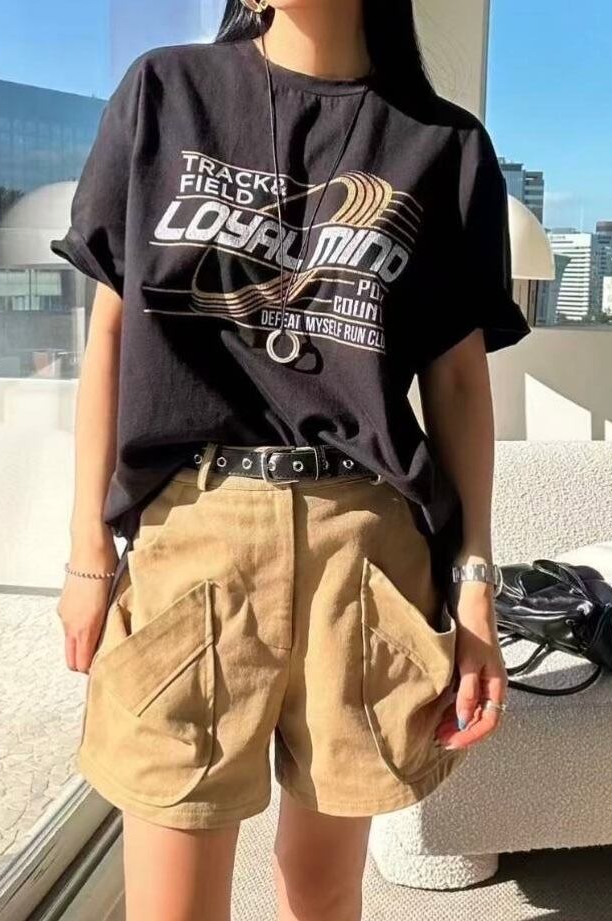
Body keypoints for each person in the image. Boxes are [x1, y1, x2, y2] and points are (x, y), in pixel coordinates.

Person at [52, 1, 532, 918]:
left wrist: (474, 584)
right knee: (172, 901)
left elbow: (460, 386)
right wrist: (87, 553)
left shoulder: (442, 143)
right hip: (197, 535)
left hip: (364, 546)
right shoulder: (166, 92)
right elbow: (108, 340)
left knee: (321, 888)